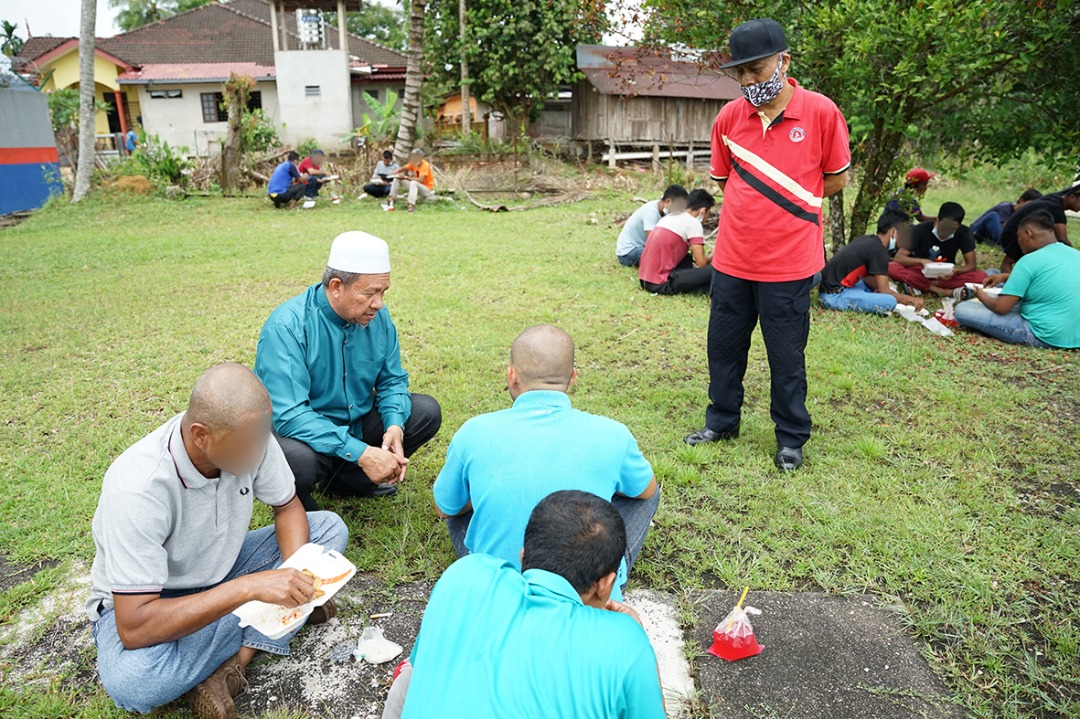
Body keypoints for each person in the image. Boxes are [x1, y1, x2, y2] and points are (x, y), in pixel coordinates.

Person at [87, 363, 349, 719]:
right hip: (151, 602)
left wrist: (295, 575)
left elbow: (287, 506)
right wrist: (248, 590)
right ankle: (268, 626)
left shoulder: (249, 434)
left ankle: (234, 663)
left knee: (328, 529)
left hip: (222, 569)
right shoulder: (138, 490)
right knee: (134, 680)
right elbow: (134, 628)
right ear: (200, 435)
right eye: (246, 446)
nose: (259, 454)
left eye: (262, 438)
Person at [687, 18, 851, 472]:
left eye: (756, 70)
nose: (747, 82)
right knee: (723, 347)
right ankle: (721, 422)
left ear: (784, 61)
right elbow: (722, 180)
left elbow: (835, 178)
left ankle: (791, 439)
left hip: (790, 265)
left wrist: (795, 206)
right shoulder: (728, 118)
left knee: (786, 356)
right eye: (739, 73)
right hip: (733, 260)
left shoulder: (820, 112)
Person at [382, 490, 667, 719]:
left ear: (522, 555)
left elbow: (424, 664)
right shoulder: (625, 640)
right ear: (605, 584)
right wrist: (637, 640)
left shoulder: (464, 574)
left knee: (407, 681)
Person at [432, 325, 658, 601]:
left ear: (511, 375)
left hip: (496, 587)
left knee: (458, 506)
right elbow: (645, 492)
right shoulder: (614, 434)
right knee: (647, 493)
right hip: (587, 590)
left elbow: (444, 508)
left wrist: (479, 497)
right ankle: (608, 573)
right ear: (573, 377)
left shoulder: (474, 431)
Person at [255, 231, 442, 511]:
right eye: (369, 293)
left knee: (425, 411)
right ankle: (298, 502)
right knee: (297, 460)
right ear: (336, 286)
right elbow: (291, 416)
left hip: (355, 423)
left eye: (383, 292)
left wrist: (394, 426)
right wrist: (362, 452)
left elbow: (392, 381)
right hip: (303, 433)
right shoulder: (287, 327)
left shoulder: (379, 317)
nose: (378, 303)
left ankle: (347, 481)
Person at [955, 209, 1080, 349]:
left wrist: (981, 295)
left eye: (1018, 237)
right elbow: (1051, 280)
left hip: (1044, 334)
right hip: (1075, 334)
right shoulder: (1075, 254)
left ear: (1028, 234)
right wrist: (1008, 276)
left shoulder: (1029, 260)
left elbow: (1001, 308)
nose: (1019, 243)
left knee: (963, 310)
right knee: (994, 273)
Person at [818, 209, 924, 314]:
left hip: (836, 287)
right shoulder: (879, 251)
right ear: (893, 231)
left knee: (873, 287)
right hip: (833, 296)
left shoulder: (870, 241)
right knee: (889, 301)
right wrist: (911, 300)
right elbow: (884, 291)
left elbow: (868, 279)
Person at [887, 202, 987, 298]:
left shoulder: (964, 232)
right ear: (937, 220)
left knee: (981, 276)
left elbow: (971, 265)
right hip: (920, 271)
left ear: (959, 226)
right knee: (892, 268)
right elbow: (899, 258)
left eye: (951, 229)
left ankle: (919, 285)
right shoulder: (920, 229)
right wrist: (922, 261)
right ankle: (940, 290)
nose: (946, 232)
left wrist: (955, 271)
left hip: (946, 275)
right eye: (943, 227)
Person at [638, 189, 716, 295]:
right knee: (714, 271)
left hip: (644, 280)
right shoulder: (693, 223)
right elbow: (701, 263)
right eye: (709, 213)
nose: (707, 218)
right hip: (661, 283)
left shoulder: (670, 217)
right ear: (703, 211)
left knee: (688, 259)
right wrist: (714, 254)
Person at [997, 184, 1080, 273]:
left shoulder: (1053, 199)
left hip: (1013, 231)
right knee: (1009, 263)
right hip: (1014, 234)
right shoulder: (1056, 208)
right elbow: (1063, 241)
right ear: (1071, 197)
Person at [615, 184, 689, 266]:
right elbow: (653, 242)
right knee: (660, 256)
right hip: (628, 252)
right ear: (668, 202)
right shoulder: (650, 211)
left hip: (644, 247)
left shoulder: (665, 213)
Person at [970, 188, 1042, 245]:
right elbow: (1005, 228)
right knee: (993, 216)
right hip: (976, 230)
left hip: (988, 234)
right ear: (1022, 201)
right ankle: (1003, 244)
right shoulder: (1005, 207)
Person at [384, 148, 435, 213]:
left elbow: (420, 180)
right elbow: (404, 168)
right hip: (416, 187)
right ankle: (391, 199)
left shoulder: (425, 165)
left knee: (413, 182)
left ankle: (411, 205)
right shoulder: (413, 163)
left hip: (426, 189)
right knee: (397, 178)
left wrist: (405, 177)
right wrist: (396, 171)